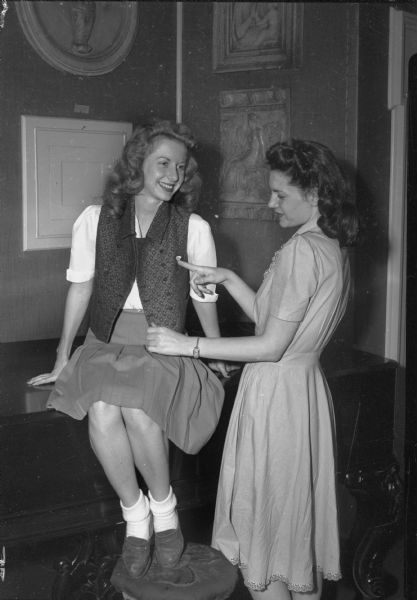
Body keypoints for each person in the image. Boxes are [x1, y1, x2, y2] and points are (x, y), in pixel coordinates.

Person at [146, 139, 359, 599]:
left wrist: (187, 343)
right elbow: (275, 321)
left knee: (263, 543)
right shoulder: (328, 246)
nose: (269, 203)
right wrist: (229, 279)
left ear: (317, 193)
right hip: (301, 394)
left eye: (280, 194)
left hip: (276, 399)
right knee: (291, 542)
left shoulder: (303, 251)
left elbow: (271, 345)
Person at [28, 119, 227, 579]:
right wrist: (62, 356)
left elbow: (204, 297)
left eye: (180, 166)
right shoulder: (95, 219)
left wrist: (212, 351)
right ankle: (135, 518)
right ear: (137, 163)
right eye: (163, 163)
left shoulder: (192, 227)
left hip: (162, 342)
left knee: (137, 411)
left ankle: (166, 511)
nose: (174, 174)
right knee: (100, 409)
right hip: (105, 340)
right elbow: (80, 289)